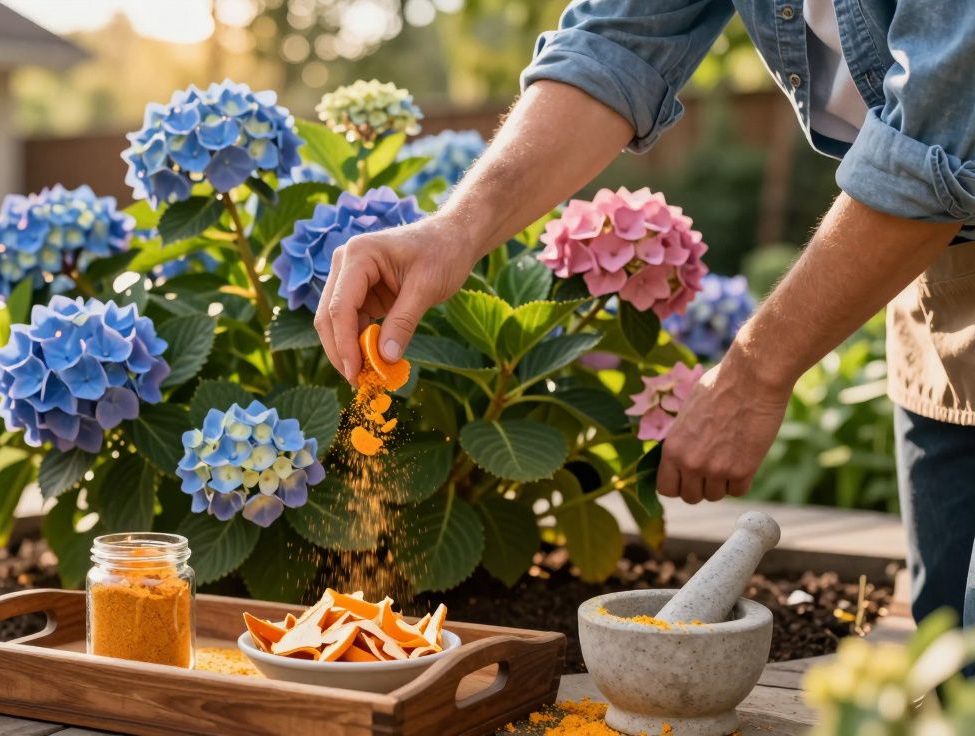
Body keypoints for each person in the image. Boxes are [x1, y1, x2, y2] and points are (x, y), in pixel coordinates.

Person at [313, 0, 975, 630]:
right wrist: (451, 231)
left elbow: (941, 136)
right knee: (949, 652)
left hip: (923, 216)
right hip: (931, 271)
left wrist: (753, 373)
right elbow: (615, 42)